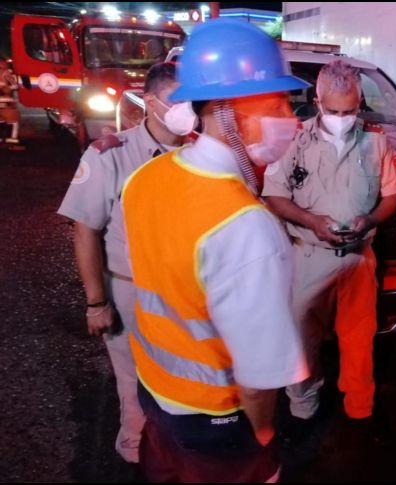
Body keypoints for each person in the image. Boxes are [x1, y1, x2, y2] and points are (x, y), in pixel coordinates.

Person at [120, 19, 309, 482]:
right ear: (229, 111)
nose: (293, 116)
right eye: (279, 100)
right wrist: (262, 431)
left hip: (155, 396)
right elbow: (260, 374)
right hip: (216, 420)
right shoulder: (246, 226)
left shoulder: (147, 177)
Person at [263, 60, 396, 432]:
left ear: (360, 103)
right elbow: (274, 196)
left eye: (350, 110)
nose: (343, 118)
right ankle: (303, 408)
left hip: (360, 259)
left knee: (360, 338)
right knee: (302, 339)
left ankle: (360, 407)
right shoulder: (293, 141)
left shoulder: (376, 142)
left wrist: (371, 220)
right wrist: (313, 221)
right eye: (333, 111)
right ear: (317, 100)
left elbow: (392, 195)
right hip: (308, 257)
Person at [57, 62, 182, 464]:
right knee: (133, 386)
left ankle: (172, 453)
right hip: (131, 289)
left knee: (180, 381)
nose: (189, 108)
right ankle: (134, 451)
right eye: (178, 99)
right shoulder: (112, 154)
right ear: (149, 102)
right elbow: (85, 230)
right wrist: (96, 302)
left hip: (186, 292)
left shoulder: (201, 154)